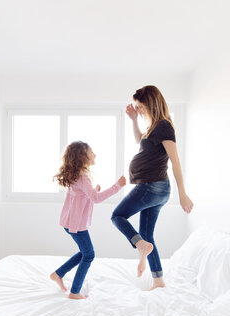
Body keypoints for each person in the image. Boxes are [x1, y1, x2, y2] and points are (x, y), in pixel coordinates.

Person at [111, 85, 193, 290]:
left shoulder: (164, 126)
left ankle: (141, 246)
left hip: (151, 187)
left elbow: (175, 161)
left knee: (117, 216)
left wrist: (182, 194)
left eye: (140, 106)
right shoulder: (154, 126)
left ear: (150, 103)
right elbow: (140, 141)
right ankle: (158, 280)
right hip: (155, 189)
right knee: (147, 234)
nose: (138, 110)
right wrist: (134, 121)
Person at [50, 141, 126, 300]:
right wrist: (117, 186)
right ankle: (75, 291)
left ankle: (58, 274)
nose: (95, 155)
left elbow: (86, 195)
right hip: (76, 224)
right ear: (82, 157)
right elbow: (96, 199)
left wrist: (94, 191)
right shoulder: (83, 177)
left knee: (85, 252)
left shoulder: (75, 175)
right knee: (89, 255)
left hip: (70, 221)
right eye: (92, 152)